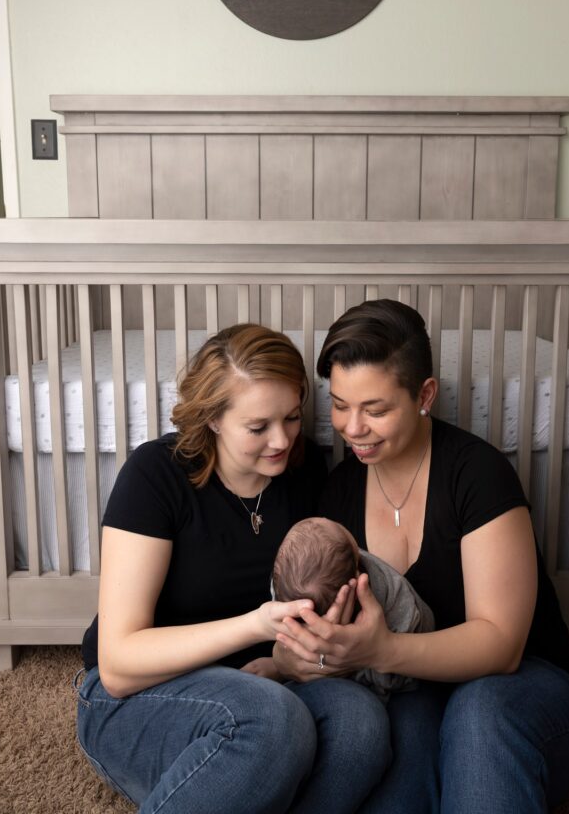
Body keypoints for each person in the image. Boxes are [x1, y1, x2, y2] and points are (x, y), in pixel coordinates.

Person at [273, 299, 569, 813]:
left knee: (479, 712)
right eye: (339, 404)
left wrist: (379, 650)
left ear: (425, 394)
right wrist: (300, 654)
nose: (352, 427)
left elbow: (501, 646)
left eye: (375, 409)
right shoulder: (338, 494)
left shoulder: (477, 474)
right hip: (415, 690)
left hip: (522, 686)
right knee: (394, 751)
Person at [75, 323, 390, 814]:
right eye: (258, 427)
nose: (282, 440)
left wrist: (291, 661)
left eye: (290, 417)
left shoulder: (305, 472)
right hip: (139, 694)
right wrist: (255, 626)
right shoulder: (156, 476)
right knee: (273, 719)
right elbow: (118, 666)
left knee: (361, 723)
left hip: (265, 682)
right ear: (214, 420)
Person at [272, 515, 434, 700]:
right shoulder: (284, 584)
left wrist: (362, 663)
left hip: (409, 649)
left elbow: (418, 628)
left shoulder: (389, 591)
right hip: (349, 672)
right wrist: (283, 655)